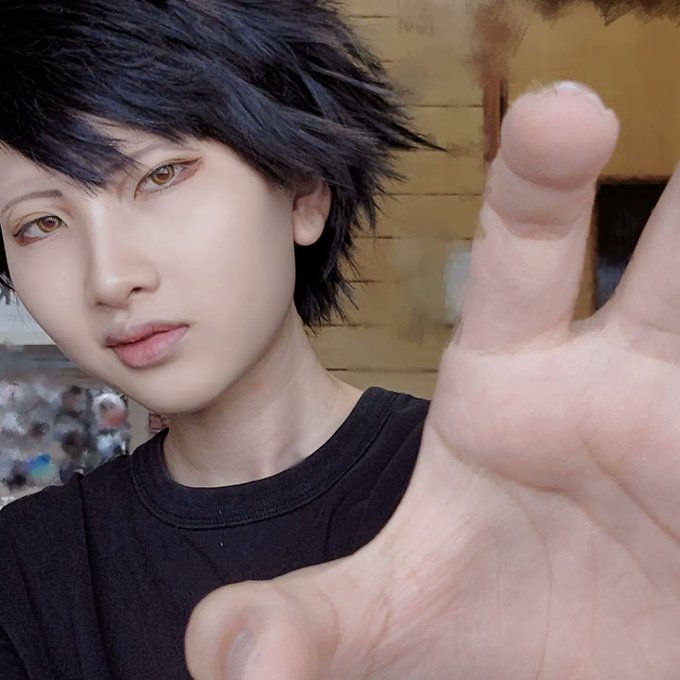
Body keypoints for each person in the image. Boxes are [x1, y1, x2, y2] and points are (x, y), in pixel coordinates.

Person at [3, 4, 680, 680]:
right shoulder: (25, 573)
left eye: (160, 175)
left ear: (303, 193)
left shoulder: (520, 499)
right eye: (40, 223)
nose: (109, 278)